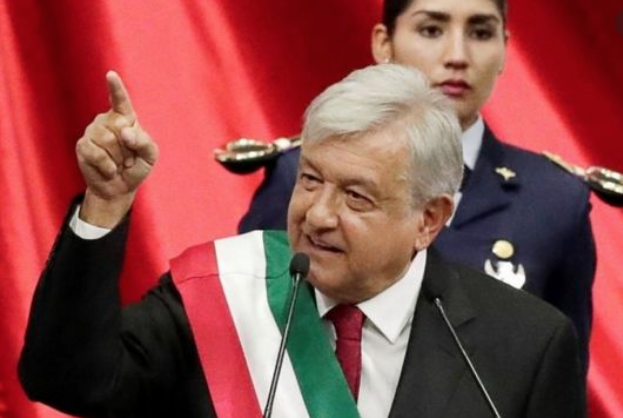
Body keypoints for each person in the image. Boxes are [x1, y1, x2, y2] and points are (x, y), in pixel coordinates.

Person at [19, 64, 585, 418]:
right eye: (310, 179)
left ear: (429, 219)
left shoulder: (525, 346)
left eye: (356, 196)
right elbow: (66, 380)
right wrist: (105, 203)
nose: (317, 215)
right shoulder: (220, 293)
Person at [237, 0, 596, 372]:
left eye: (480, 33)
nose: (457, 56)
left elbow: (559, 380)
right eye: (431, 30)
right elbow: (244, 330)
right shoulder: (299, 174)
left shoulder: (554, 199)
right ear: (384, 43)